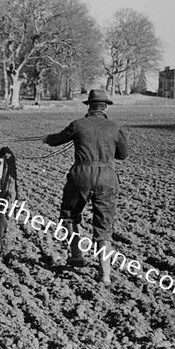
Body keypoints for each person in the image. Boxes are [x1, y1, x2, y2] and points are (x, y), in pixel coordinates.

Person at [43, 89, 129, 286]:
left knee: (70, 213)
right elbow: (123, 155)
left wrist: (47, 138)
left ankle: (77, 255)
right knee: (103, 226)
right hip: (108, 177)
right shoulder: (116, 127)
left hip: (81, 176)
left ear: (89, 106)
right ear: (105, 106)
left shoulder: (78, 125)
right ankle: (104, 274)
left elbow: (57, 140)